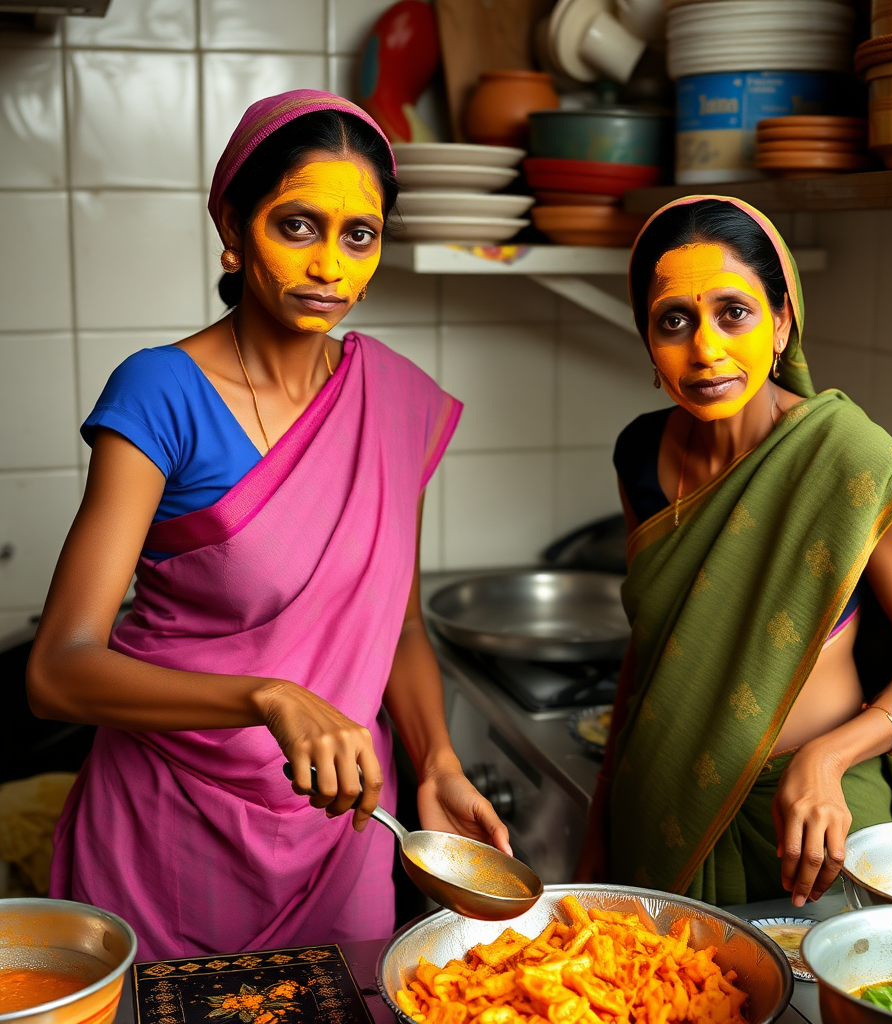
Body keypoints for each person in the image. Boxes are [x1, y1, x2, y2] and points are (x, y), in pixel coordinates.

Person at [27, 90, 510, 960]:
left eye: (357, 235)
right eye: (298, 226)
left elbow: (396, 626)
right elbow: (58, 671)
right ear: (236, 228)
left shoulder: (392, 400)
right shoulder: (160, 392)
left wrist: (437, 761)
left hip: (344, 833)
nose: (330, 263)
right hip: (166, 835)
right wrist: (266, 696)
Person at [577, 196, 892, 907]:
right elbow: (655, 644)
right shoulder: (640, 451)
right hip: (660, 812)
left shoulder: (848, 460)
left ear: (782, 321)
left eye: (735, 313)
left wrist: (828, 756)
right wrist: (602, 813)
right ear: (647, 340)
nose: (706, 350)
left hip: (810, 828)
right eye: (674, 321)